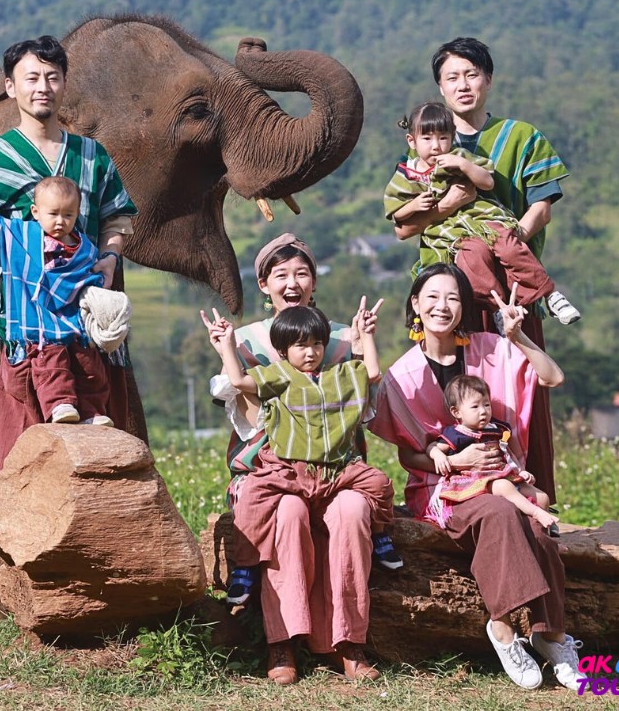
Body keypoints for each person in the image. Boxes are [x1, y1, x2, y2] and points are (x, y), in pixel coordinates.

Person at [368, 263, 587, 692]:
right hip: (443, 489)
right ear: (415, 304)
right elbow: (407, 454)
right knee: (500, 512)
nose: (442, 306)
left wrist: (518, 338)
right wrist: (454, 461)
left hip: (502, 476)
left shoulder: (492, 349)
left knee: (538, 532)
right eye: (432, 297)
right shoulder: (402, 375)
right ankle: (502, 627)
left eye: (452, 297)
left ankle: (550, 635)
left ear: (464, 306)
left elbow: (553, 376)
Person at [391, 37, 571, 502]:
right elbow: (403, 227)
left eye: (472, 74)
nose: (463, 84)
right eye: (452, 77)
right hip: (447, 297)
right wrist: (447, 206)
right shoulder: (425, 142)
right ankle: (454, 500)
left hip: (511, 291)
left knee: (523, 393)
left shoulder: (521, 136)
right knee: (452, 396)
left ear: (488, 79)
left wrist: (502, 246)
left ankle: (532, 500)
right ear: (440, 87)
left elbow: (542, 207)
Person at [206, 233, 386, 685]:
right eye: (280, 274)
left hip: (337, 471)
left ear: (314, 282)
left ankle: (349, 641)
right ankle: (281, 642)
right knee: (287, 513)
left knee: (351, 510)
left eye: (302, 273)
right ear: (264, 285)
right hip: (272, 469)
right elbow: (245, 417)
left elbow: (367, 401)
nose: (292, 283)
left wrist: (364, 341)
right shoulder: (248, 342)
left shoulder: (340, 339)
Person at [0, 36, 137, 472]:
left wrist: (110, 258)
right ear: (11, 86)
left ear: (64, 84)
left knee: (101, 443)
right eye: (32, 77)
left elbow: (117, 219)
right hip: (27, 324)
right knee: (29, 452)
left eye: (52, 77)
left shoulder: (92, 156)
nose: (43, 87)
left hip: (88, 321)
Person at [203, 302, 398, 605]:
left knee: (380, 484)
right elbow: (239, 381)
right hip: (289, 469)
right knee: (252, 497)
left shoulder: (340, 374)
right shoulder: (278, 375)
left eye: (317, 344)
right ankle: (246, 567)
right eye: (301, 345)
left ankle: (379, 534)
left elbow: (372, 372)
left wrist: (366, 335)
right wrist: (228, 345)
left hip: (336, 470)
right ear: (283, 351)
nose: (311, 352)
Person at [384, 102, 580, 326]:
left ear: (452, 137)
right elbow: (396, 216)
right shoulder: (407, 173)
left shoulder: (460, 156)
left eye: (443, 138)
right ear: (412, 141)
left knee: (509, 246)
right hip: (451, 234)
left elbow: (488, 182)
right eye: (427, 139)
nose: (436, 146)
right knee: (473, 256)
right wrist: (417, 205)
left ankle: (549, 294)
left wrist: (463, 165)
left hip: (483, 220)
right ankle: (498, 310)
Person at [0, 175, 117, 427]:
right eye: (53, 214)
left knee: (88, 364)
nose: (60, 221)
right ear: (36, 212)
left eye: (68, 215)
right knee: (51, 361)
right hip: (41, 322)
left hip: (74, 322)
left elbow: (89, 279)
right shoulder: (26, 236)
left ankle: (91, 411)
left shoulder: (84, 249)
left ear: (77, 214)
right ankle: (60, 404)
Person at [427, 374, 557, 532]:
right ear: (457, 412)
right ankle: (536, 513)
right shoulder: (457, 434)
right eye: (475, 407)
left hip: (505, 475)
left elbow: (507, 452)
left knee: (542, 497)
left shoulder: (497, 429)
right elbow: (432, 446)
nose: (483, 411)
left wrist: (520, 470)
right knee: (504, 487)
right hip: (477, 480)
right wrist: (438, 456)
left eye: (487, 405)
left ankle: (543, 532)